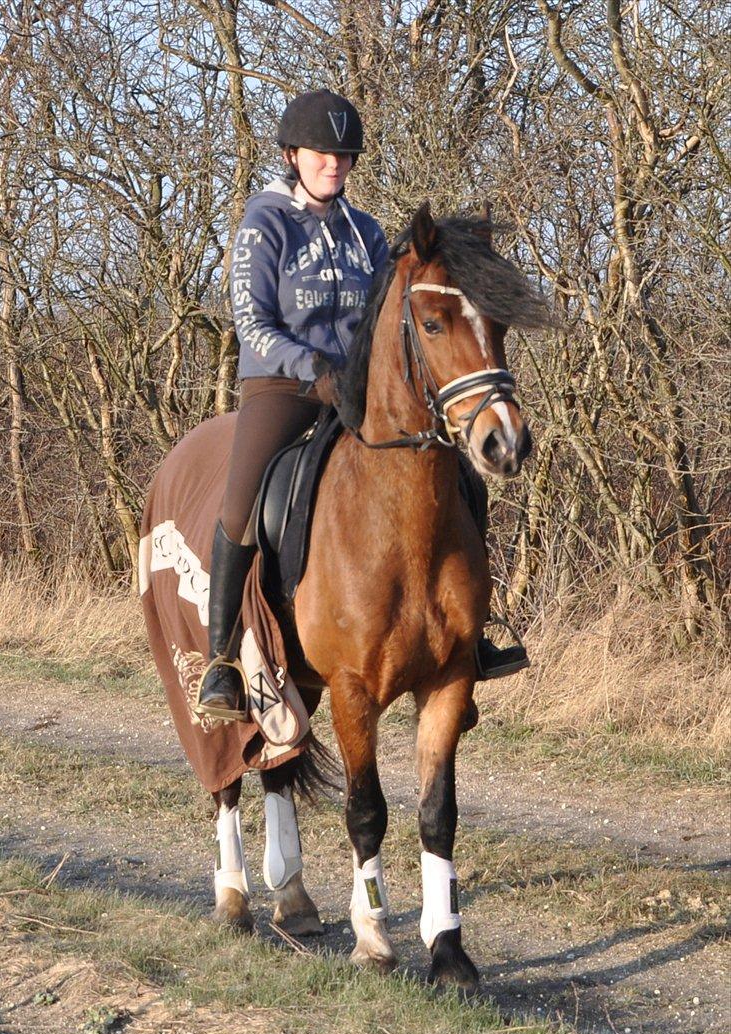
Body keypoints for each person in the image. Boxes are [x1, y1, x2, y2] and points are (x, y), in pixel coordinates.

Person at [196, 90, 527, 721]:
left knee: (460, 479)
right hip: (283, 388)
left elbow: (389, 319)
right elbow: (254, 324)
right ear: (294, 155)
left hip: (359, 393)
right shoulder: (264, 223)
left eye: (344, 157)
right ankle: (222, 664)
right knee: (241, 505)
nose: (335, 166)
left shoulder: (366, 230)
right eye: (323, 154)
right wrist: (313, 369)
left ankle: (471, 639)